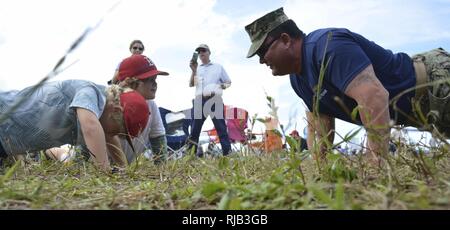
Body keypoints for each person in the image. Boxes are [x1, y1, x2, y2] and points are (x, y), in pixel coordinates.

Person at [245, 8, 449, 164]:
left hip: (436, 82)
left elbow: (374, 97)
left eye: (263, 52)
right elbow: (319, 129)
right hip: (421, 113)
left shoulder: (327, 46)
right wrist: (317, 171)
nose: (262, 60)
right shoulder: (298, 80)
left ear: (285, 39)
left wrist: (373, 165)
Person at [0, 80, 149, 171]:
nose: (114, 136)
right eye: (118, 131)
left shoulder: (104, 117)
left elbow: (109, 138)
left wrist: (123, 167)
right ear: (115, 111)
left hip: (5, 145)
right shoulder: (91, 92)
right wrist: (104, 169)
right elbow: (90, 126)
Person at [112, 54, 169, 164]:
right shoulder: (111, 103)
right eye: (149, 79)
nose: (155, 84)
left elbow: (158, 138)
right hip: (99, 168)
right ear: (130, 82)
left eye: (155, 79)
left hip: (124, 170)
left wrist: (162, 170)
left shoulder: (151, 104)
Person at [188, 44, 232, 156]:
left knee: (221, 129)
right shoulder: (197, 68)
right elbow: (191, 84)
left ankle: (228, 155)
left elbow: (228, 82)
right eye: (199, 51)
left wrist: (218, 87)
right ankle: (189, 158)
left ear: (209, 52)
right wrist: (193, 71)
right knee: (194, 131)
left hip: (215, 100)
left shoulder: (218, 67)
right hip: (199, 101)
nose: (201, 53)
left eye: (204, 50)